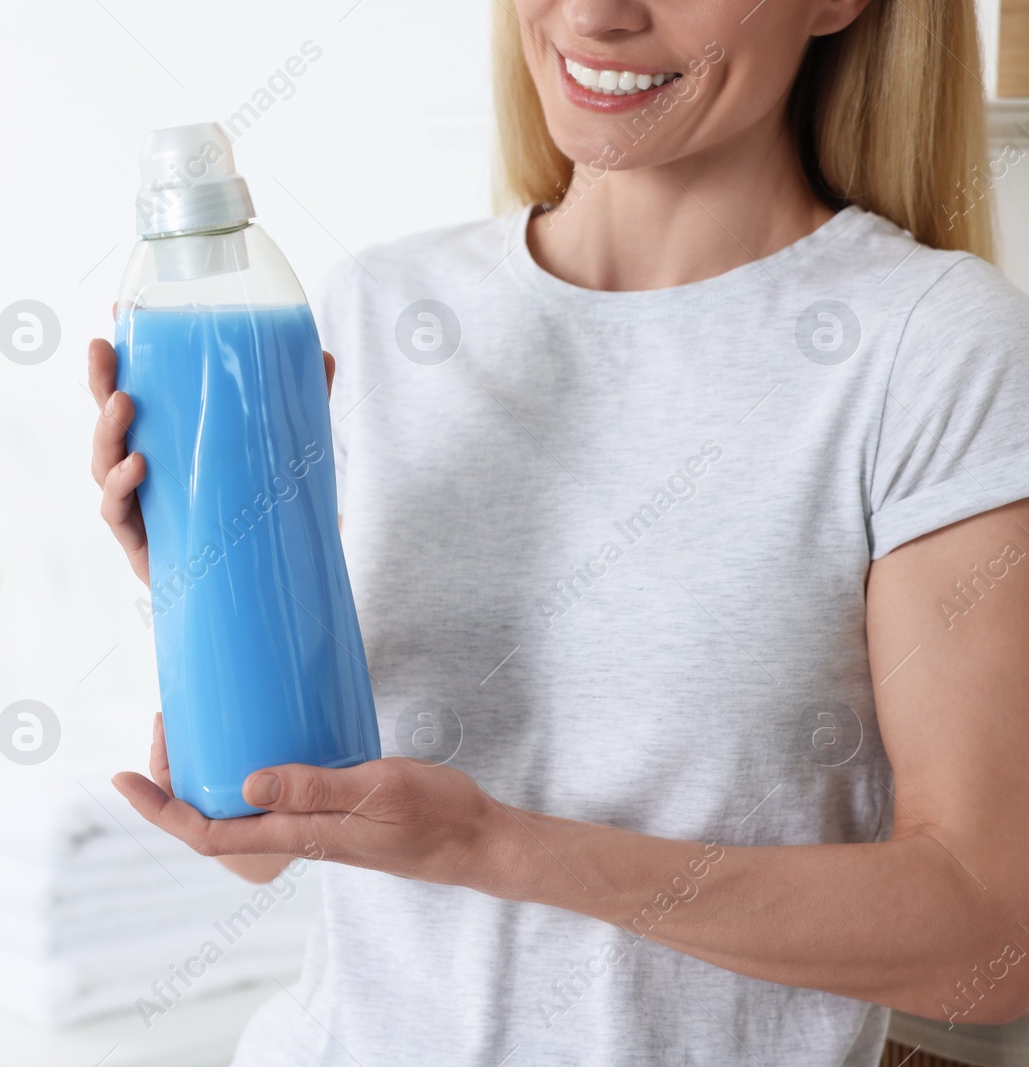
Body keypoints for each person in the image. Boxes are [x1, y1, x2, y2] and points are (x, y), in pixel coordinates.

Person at [87, 0, 1029, 1062]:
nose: (593, 15)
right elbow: (272, 841)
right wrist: (202, 588)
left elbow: (986, 934)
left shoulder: (930, 346)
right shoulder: (381, 309)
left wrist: (489, 845)